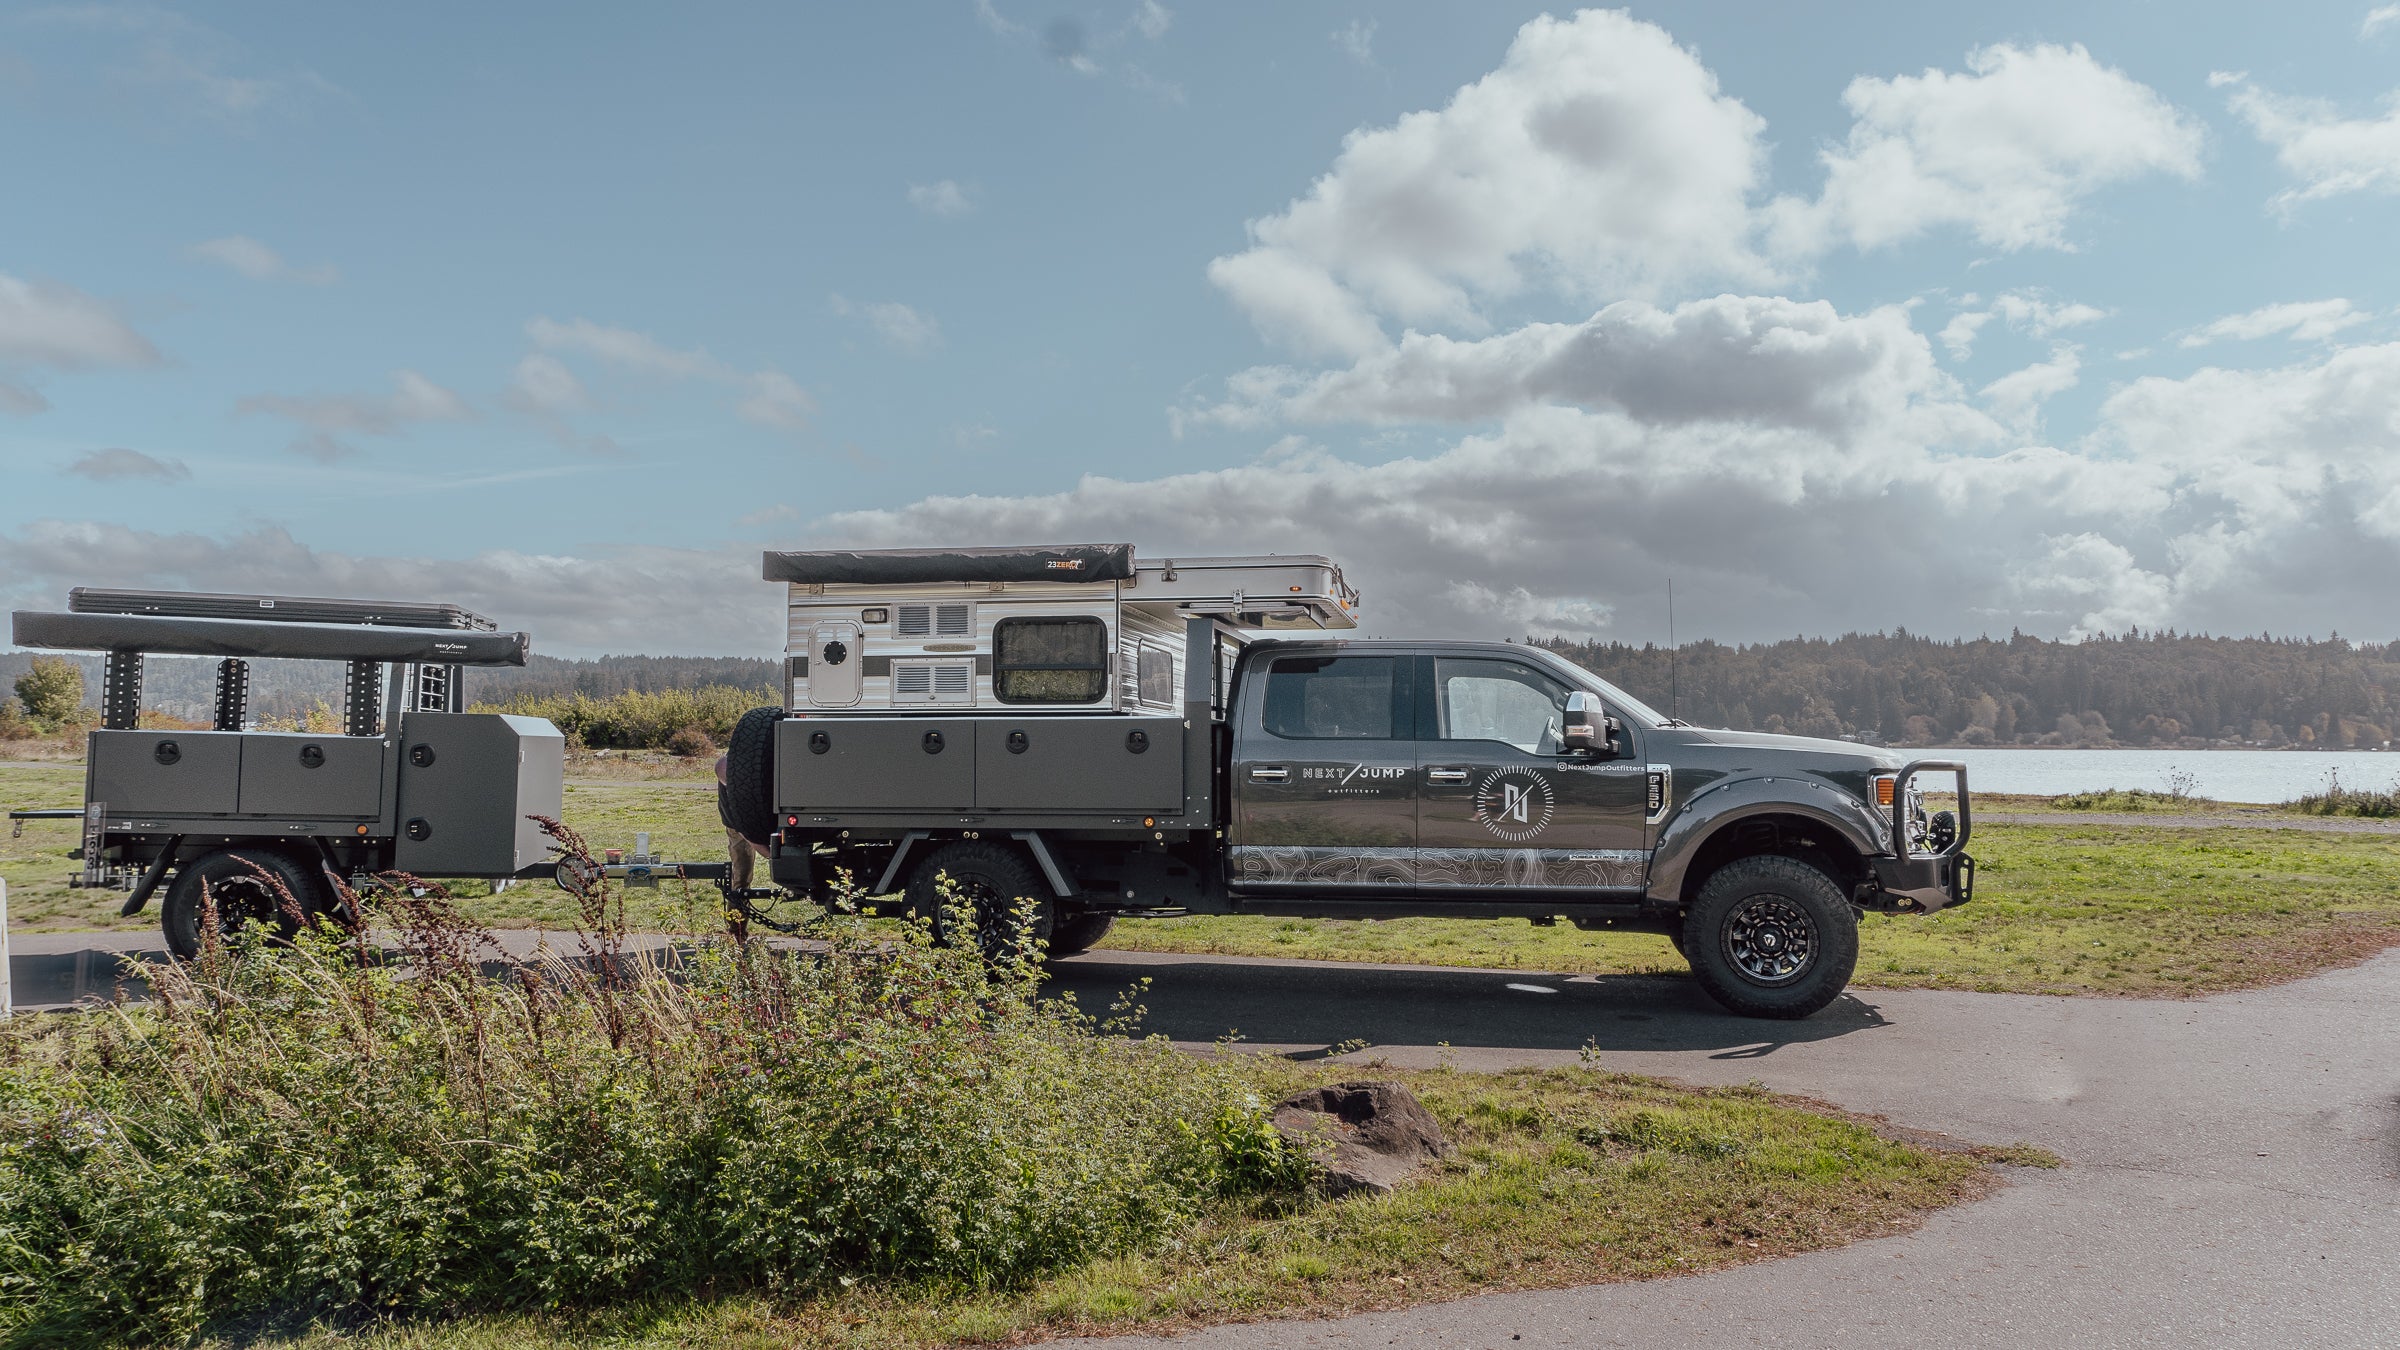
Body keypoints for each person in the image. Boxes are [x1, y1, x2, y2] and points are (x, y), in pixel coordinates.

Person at [714, 751, 766, 890]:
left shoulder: (755, 757)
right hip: (738, 825)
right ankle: (737, 909)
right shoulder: (730, 800)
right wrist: (770, 854)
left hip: (765, 812)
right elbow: (740, 827)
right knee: (742, 872)